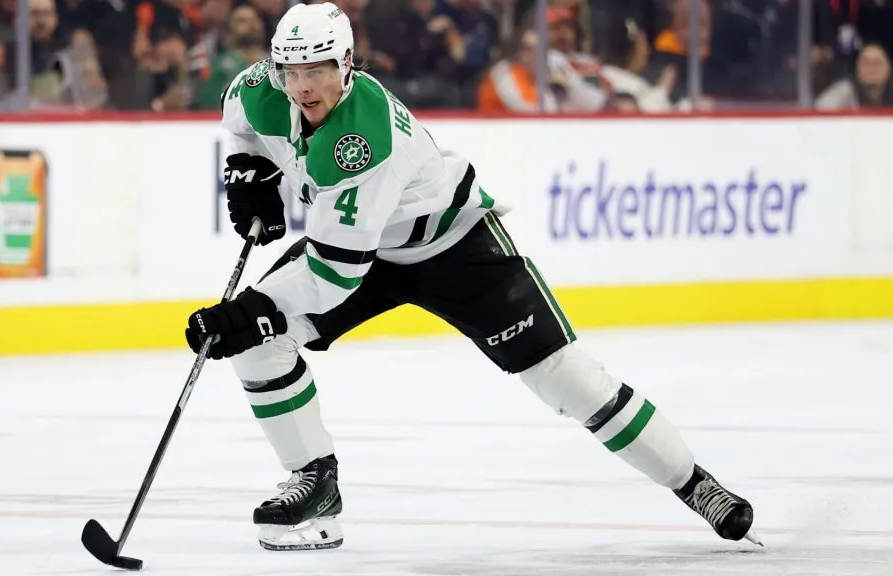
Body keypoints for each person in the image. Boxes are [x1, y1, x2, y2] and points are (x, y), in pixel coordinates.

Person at [184, 2, 761, 552]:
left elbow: (334, 274)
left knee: (568, 380)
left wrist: (249, 310)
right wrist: (247, 166)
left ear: (348, 64)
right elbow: (239, 121)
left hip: (453, 247)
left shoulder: (363, 140)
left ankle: (694, 483)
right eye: (291, 71)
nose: (303, 87)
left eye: (317, 70)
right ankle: (315, 484)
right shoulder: (261, 88)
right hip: (367, 248)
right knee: (258, 343)